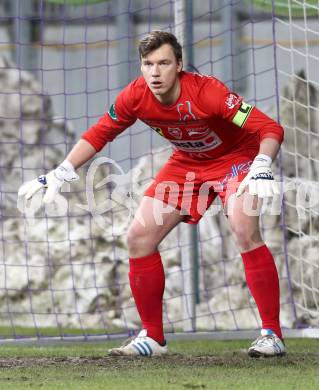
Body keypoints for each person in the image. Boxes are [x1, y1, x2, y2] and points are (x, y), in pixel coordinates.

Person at [18, 30, 285, 358]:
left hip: (236, 159)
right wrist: (62, 171)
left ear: (180, 65)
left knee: (244, 229)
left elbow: (269, 128)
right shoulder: (135, 95)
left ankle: (272, 334)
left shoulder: (208, 93)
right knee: (138, 237)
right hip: (187, 164)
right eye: (148, 64)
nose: (155, 72)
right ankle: (153, 338)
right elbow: (101, 131)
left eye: (163, 63)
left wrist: (261, 163)